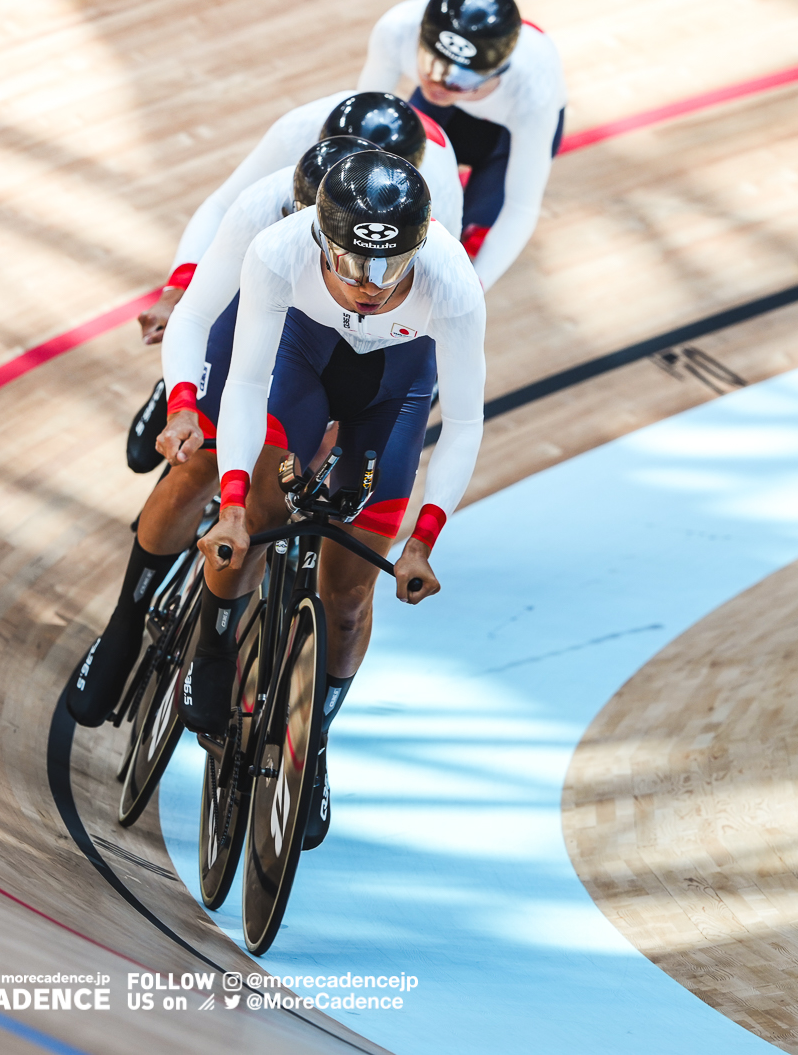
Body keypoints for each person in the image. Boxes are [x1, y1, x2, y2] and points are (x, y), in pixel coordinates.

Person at [180, 150, 486, 848]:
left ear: (421, 244)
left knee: (349, 598)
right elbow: (249, 386)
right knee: (259, 517)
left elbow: (463, 421)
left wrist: (423, 541)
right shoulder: (277, 251)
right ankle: (216, 641)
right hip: (301, 363)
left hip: (393, 393)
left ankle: (309, 739)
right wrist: (229, 501)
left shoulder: (454, 285)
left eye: (390, 268)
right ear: (320, 237)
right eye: (352, 265)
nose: (370, 288)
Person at [66, 134, 376, 726]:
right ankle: (126, 625)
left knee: (277, 498)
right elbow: (200, 314)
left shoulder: (408, 237)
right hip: (255, 311)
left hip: (345, 333)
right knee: (203, 462)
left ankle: (232, 653)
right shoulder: (264, 207)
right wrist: (184, 402)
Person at [137, 92, 463, 346]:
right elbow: (222, 206)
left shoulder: (436, 196)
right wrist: (179, 288)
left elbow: (421, 302)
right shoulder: (296, 133)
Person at [359, 0, 567, 291]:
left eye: (461, 80)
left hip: (508, 139)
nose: (439, 84)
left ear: (497, 73)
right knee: (385, 186)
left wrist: (473, 289)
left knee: (467, 246)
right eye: (431, 64)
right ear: (419, 40)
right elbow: (361, 131)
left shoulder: (532, 94)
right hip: (448, 115)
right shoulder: (398, 27)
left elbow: (521, 208)